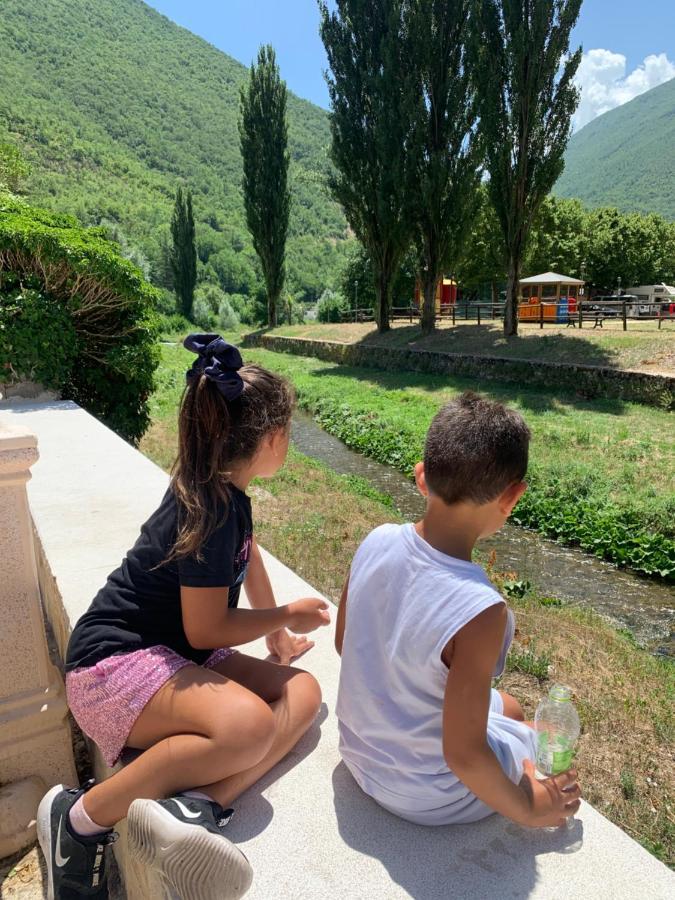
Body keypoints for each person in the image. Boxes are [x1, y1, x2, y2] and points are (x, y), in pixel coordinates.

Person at [38, 335, 330, 900]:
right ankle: (79, 820)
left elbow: (249, 556)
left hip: (170, 654)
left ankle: (196, 804)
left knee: (303, 694)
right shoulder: (213, 508)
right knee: (249, 726)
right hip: (113, 665)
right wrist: (286, 610)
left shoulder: (225, 494)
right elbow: (208, 630)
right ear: (272, 440)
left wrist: (279, 633)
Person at [335, 392, 581, 828]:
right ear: (512, 497)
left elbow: (343, 643)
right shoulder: (481, 610)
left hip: (358, 757)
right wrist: (529, 807)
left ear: (421, 477)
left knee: (510, 706)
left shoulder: (376, 539)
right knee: (539, 755)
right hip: (428, 795)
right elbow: (464, 754)